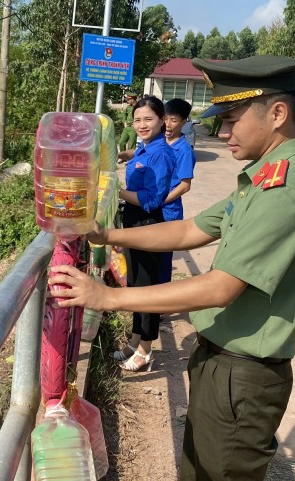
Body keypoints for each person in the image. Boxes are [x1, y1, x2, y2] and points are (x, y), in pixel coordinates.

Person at [50, 55, 295, 481]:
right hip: (219, 365)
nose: (222, 133)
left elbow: (221, 286)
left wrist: (109, 298)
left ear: (276, 113)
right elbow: (187, 232)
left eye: (230, 120)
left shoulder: (290, 187)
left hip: (243, 375)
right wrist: (105, 235)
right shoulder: (261, 179)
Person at [111, 94, 176, 372]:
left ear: (162, 120)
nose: (142, 124)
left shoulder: (160, 153)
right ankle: (136, 339)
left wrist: (115, 190)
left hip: (149, 223)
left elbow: (152, 199)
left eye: (148, 118)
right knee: (137, 284)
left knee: (147, 288)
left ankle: (146, 349)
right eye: (137, 119)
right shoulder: (144, 149)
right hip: (135, 220)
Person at [158, 98, 197, 286]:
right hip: (151, 206)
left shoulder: (184, 150)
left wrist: (160, 201)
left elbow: (184, 185)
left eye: (173, 120)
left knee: (163, 258)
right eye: (165, 118)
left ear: (184, 122)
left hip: (168, 211)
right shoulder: (159, 141)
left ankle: (161, 301)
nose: (167, 124)